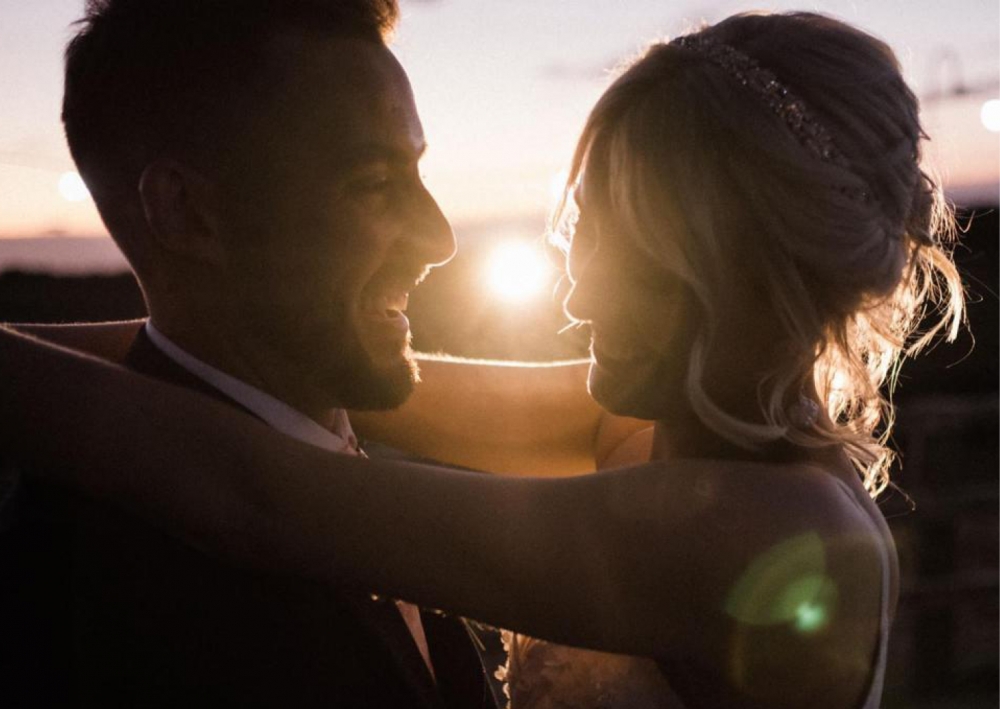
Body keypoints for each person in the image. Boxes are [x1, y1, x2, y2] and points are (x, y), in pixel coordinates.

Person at [0, 9, 965, 709]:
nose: (580, 294)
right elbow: (319, 378)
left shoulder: (768, 539)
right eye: (583, 229)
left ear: (751, 275)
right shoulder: (644, 419)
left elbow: (259, 493)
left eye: (644, 262)